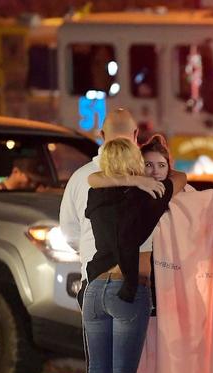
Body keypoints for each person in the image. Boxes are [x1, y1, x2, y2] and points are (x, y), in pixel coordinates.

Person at [81, 137, 186, 373]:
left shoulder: (95, 195)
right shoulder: (148, 196)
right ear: (134, 165)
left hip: (94, 292)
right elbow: (181, 177)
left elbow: (95, 177)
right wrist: (140, 181)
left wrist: (131, 178)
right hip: (127, 291)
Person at [59, 108, 161, 302]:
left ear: (102, 135)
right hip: (136, 285)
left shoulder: (80, 178)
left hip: (93, 284)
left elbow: (70, 235)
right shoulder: (150, 179)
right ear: (135, 134)